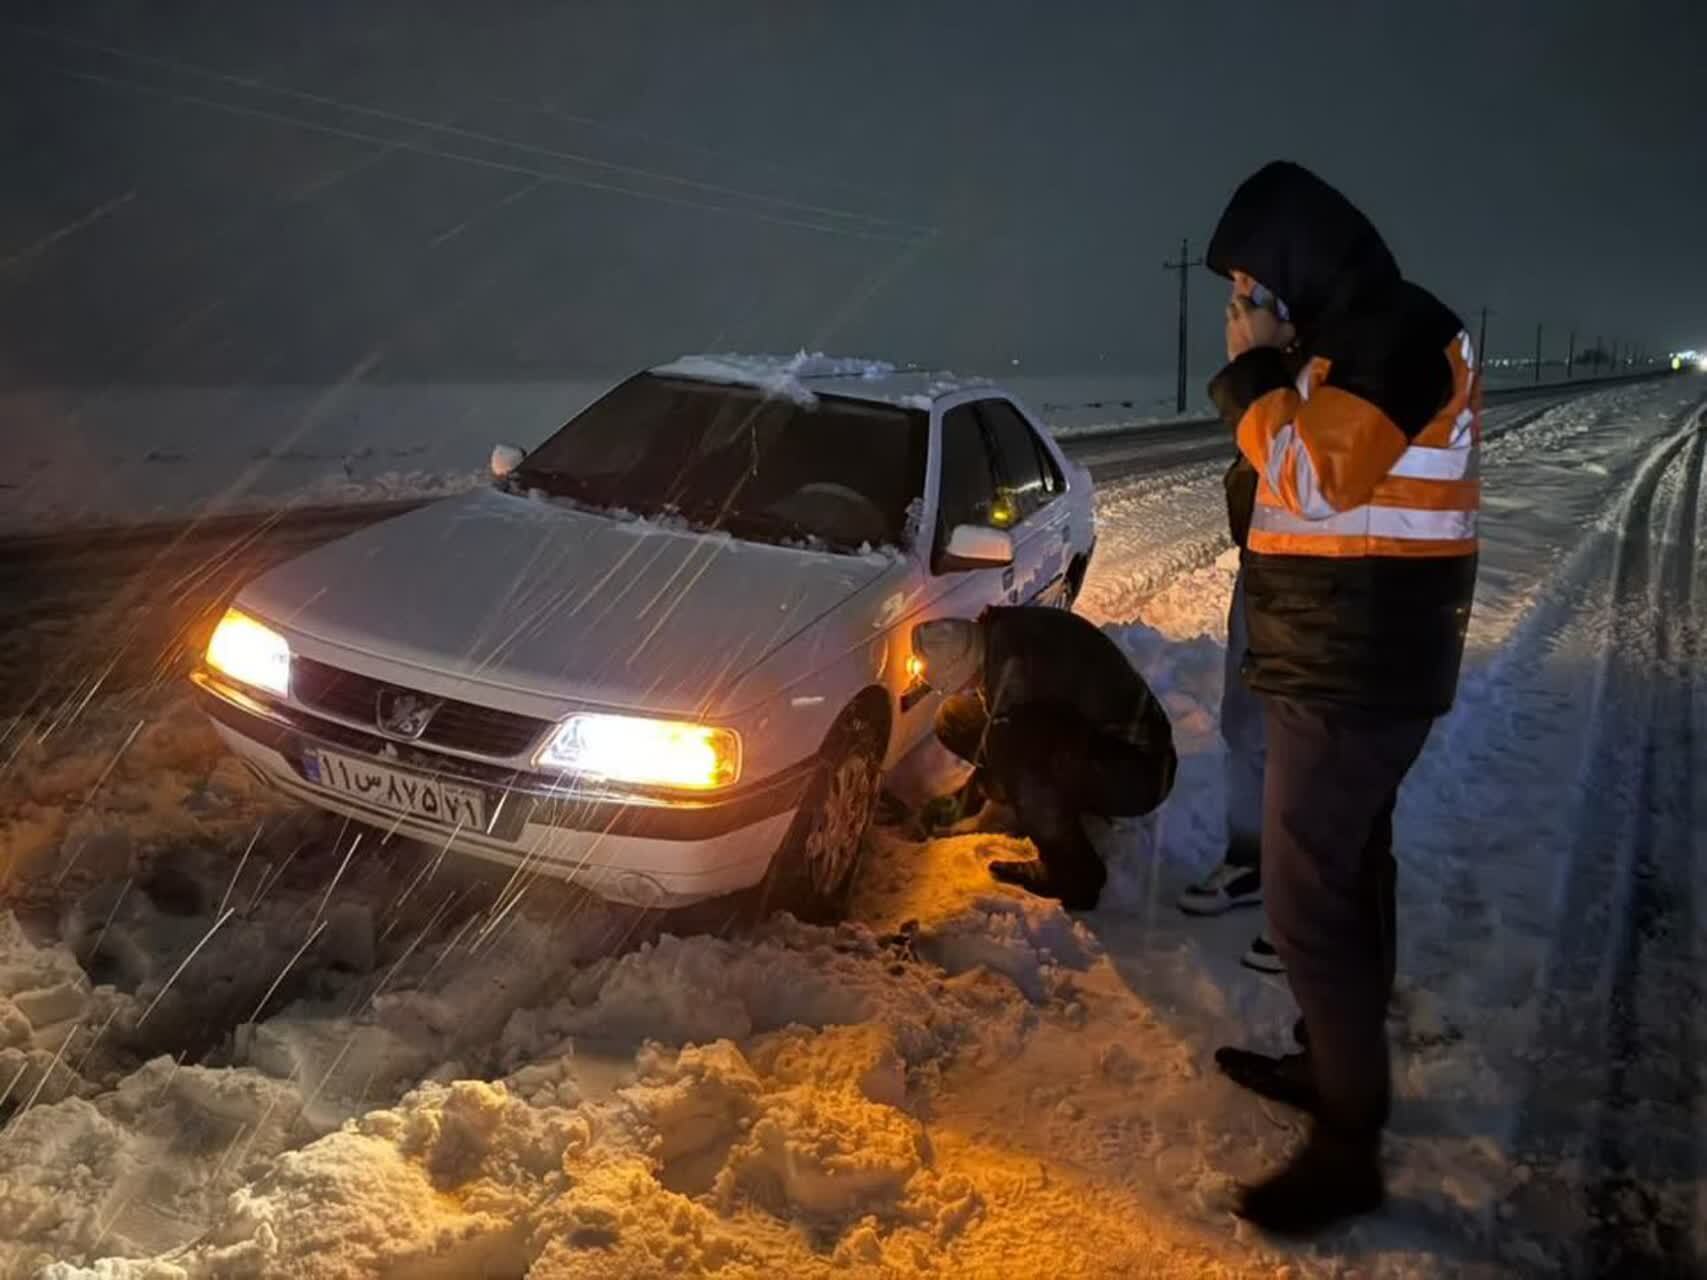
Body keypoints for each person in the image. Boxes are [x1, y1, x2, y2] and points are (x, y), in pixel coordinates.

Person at [1201, 161, 1480, 1235]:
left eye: (1247, 286)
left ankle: (1348, 1143)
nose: (1239, 307)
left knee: (1305, 900)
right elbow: (1294, 490)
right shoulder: (1348, 343)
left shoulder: (1399, 335)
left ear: (1294, 264)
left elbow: (1319, 478)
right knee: (1348, 874)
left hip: (1359, 669)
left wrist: (1252, 378)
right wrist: (1274, 380)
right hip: (1342, 657)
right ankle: (1333, 1064)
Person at [914, 606, 1177, 911]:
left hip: (1138, 771)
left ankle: (1074, 874)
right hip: (1092, 737)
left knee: (1015, 756)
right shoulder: (1000, 634)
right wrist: (964, 802)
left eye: (962, 683)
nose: (967, 690)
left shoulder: (1019, 673)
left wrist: (991, 791)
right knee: (954, 716)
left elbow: (1013, 746)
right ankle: (1041, 807)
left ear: (966, 667)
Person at [1175, 448, 1281, 976]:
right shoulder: (1285, 382)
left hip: (1328, 580)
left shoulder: (1346, 381)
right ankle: (1250, 860)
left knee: (1310, 740)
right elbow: (1247, 494)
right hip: (1266, 568)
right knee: (1246, 727)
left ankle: (1310, 909)